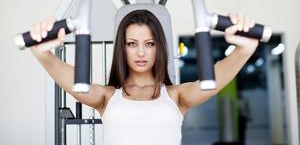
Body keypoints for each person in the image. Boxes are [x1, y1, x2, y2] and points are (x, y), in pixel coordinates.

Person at [29, 10, 258, 145]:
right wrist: (43, 53)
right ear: (122, 47)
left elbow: (211, 83)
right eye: (132, 44)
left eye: (149, 44)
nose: (141, 52)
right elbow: (79, 85)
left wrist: (244, 50)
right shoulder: (108, 97)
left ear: (159, 48)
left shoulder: (176, 96)